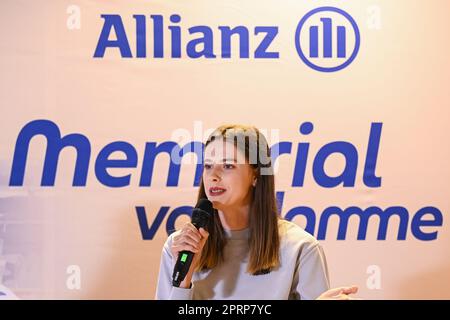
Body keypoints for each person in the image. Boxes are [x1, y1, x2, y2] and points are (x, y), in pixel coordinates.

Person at [155, 124, 358, 300]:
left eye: (227, 166)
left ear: (255, 175)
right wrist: (183, 280)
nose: (213, 176)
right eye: (208, 166)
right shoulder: (179, 247)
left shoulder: (301, 248)